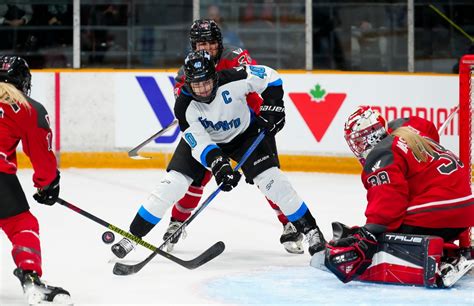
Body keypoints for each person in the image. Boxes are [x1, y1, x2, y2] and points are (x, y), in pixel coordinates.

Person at [111, 50, 326, 259]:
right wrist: (217, 163)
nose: (203, 90)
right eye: (196, 85)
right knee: (172, 184)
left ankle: (312, 232)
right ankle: (132, 237)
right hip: (208, 139)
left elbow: (270, 76)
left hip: (244, 136)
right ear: (188, 84)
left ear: (215, 76)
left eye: (206, 82)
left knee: (274, 182)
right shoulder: (184, 106)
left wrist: (274, 106)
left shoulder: (235, 77)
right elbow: (199, 142)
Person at [168, 19, 304, 254]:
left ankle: (289, 223)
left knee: (266, 176)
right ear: (193, 45)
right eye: (201, 43)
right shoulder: (186, 71)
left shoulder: (236, 57)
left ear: (219, 42)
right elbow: (186, 104)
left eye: (211, 42)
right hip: (212, 131)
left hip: (247, 125)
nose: (207, 48)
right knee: (197, 178)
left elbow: (254, 86)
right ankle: (176, 222)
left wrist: (262, 116)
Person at [323, 105, 474, 283]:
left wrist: (370, 232)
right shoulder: (410, 129)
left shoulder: (381, 153)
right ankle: (455, 251)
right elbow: (429, 127)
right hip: (465, 208)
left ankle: (440, 262)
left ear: (372, 135)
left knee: (386, 231)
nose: (360, 147)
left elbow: (388, 204)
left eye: (360, 141)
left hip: (440, 211)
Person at [0, 56, 71, 304]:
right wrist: (46, 184)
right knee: (22, 225)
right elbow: (41, 156)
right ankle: (31, 279)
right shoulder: (28, 108)